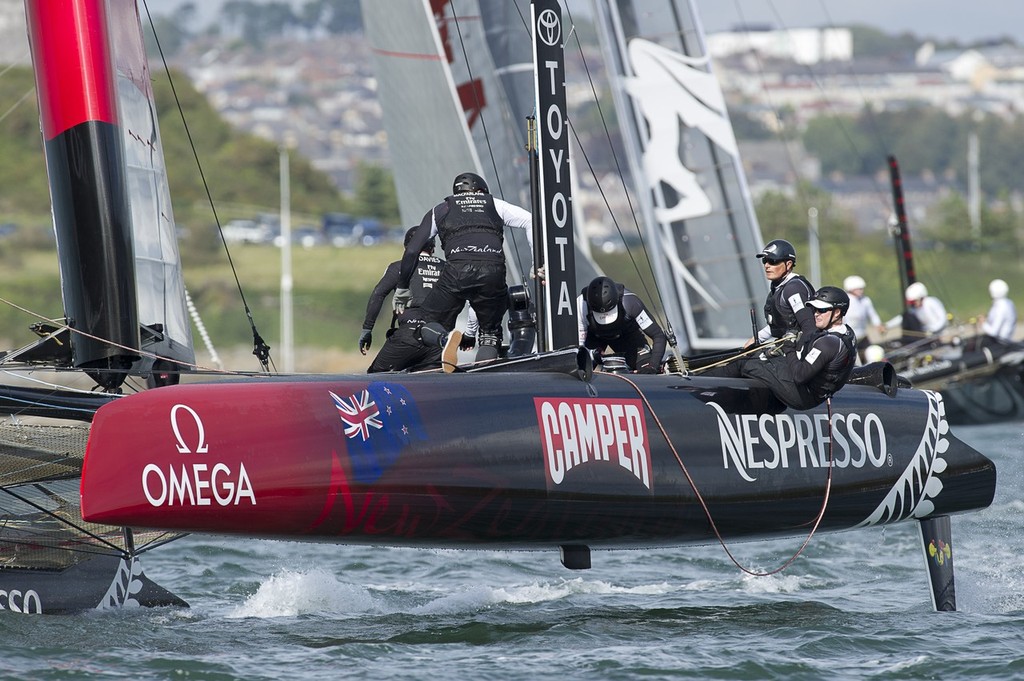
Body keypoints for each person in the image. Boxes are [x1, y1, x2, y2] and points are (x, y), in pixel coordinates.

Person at [396, 171, 532, 366]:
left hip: (456, 271)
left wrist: (402, 287)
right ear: (481, 190)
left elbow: (411, 252)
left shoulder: (440, 209)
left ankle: (445, 340)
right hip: (492, 272)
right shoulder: (493, 203)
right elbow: (529, 220)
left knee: (424, 324)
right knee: (490, 334)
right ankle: (483, 380)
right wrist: (539, 263)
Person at [740, 286, 858, 410]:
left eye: (821, 310)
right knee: (763, 356)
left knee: (745, 361)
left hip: (804, 396)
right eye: (814, 309)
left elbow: (799, 376)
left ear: (837, 312)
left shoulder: (828, 343)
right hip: (814, 393)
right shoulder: (847, 333)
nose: (816, 314)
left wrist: (789, 347)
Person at [358, 226, 446, 372]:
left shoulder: (398, 266)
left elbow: (378, 294)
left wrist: (367, 329)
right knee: (429, 385)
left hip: (410, 334)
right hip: (439, 337)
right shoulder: (446, 267)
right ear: (433, 248)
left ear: (407, 247)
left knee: (376, 376)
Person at [578, 276, 667, 374]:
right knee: (582, 368)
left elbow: (658, 335)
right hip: (595, 337)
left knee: (645, 368)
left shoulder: (630, 302)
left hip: (627, 335)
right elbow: (579, 347)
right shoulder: (581, 306)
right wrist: (593, 355)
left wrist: (653, 366)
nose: (605, 317)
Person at [751, 239, 817, 349]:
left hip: (798, 353)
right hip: (786, 349)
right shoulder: (778, 287)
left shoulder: (794, 289)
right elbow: (779, 326)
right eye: (765, 261)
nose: (767, 265)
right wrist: (755, 339)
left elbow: (809, 327)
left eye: (772, 261)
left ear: (788, 264)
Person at [843, 275, 885, 363]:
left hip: (863, 336)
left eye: (862, 289)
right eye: (859, 289)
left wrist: (879, 325)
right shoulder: (845, 301)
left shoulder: (866, 300)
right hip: (850, 338)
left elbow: (873, 315)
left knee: (872, 355)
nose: (861, 291)